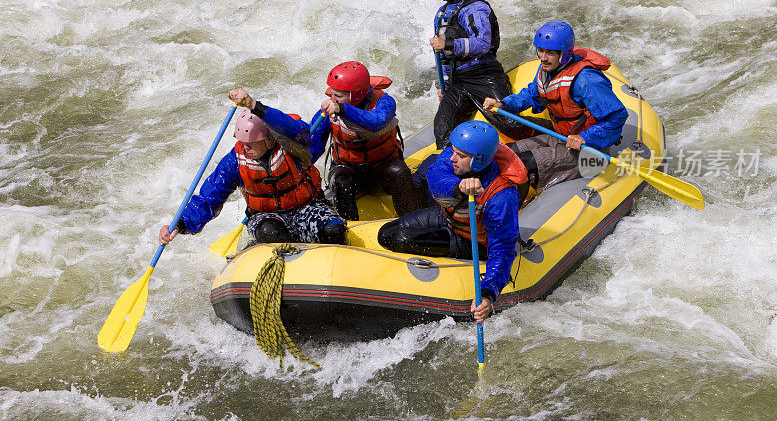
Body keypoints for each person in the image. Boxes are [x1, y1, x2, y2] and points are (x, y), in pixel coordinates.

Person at [377, 121, 528, 323]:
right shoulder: (456, 159)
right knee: (386, 233)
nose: (452, 158)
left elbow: (502, 249)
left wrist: (487, 294)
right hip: (448, 219)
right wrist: (459, 189)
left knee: (403, 239)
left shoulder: (502, 196)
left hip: (473, 241)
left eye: (461, 156)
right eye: (454, 151)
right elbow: (435, 176)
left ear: (479, 160)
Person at [159, 88, 347, 247]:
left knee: (333, 230)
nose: (246, 147)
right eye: (243, 142)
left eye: (252, 142)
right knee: (271, 232)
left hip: (307, 208)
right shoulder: (235, 161)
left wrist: (253, 105)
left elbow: (298, 130)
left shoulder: (291, 147)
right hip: (266, 216)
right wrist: (181, 224)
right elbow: (210, 196)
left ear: (269, 139)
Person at [483, 21, 628, 192]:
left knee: (521, 163)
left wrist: (584, 138)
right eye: (540, 50)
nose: (543, 57)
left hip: (591, 152)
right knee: (504, 152)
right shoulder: (548, 69)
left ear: (564, 54)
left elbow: (617, 116)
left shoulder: (587, 80)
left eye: (550, 53)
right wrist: (504, 104)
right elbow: (532, 93)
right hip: (563, 137)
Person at [309, 61, 423, 221]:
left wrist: (343, 110)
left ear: (356, 94)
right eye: (332, 94)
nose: (332, 100)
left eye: (338, 96)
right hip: (350, 169)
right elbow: (315, 145)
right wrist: (301, 168)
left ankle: (413, 221)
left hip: (382, 166)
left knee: (399, 171)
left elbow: (376, 122)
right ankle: (347, 229)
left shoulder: (385, 102)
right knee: (341, 181)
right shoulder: (330, 110)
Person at [429, 0, 514, 149]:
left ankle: (559, 136)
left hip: (484, 76)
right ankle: (452, 167)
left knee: (509, 124)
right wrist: (446, 85)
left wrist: (447, 43)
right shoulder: (441, 14)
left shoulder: (476, 7)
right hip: (459, 81)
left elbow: (482, 43)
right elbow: (443, 56)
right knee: (442, 127)